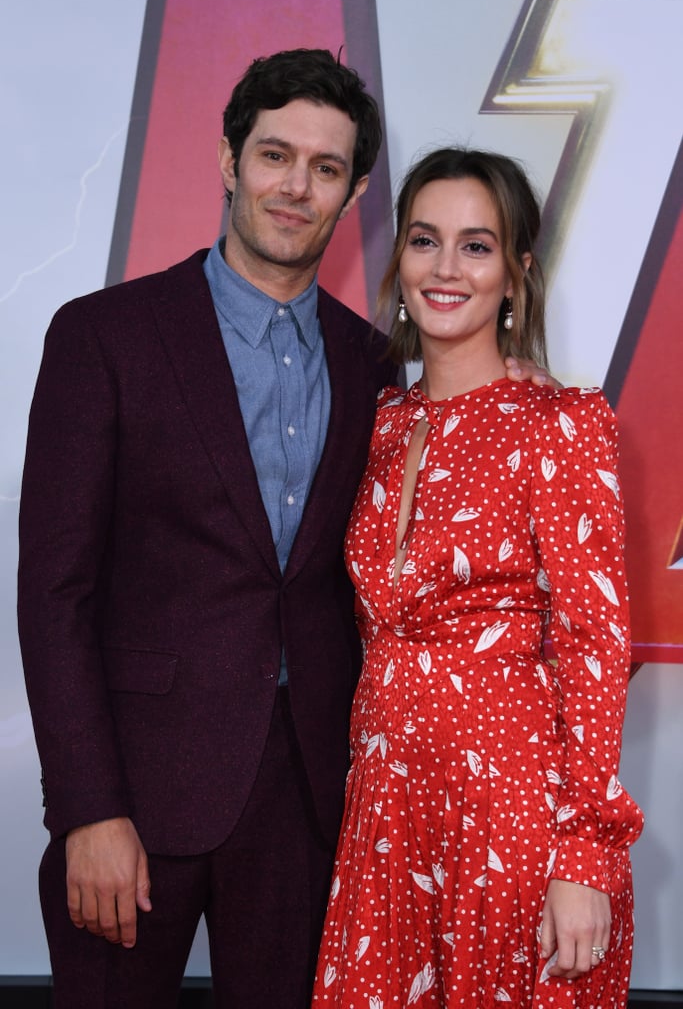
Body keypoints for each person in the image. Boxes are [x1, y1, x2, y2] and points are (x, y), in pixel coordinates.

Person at [18, 49, 552, 1009]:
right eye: (274, 155)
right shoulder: (104, 336)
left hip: (311, 810)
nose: (295, 187)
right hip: (133, 802)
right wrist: (88, 807)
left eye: (327, 167)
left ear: (350, 196)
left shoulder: (373, 367)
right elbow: (52, 595)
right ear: (229, 163)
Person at [311, 148, 644, 1008]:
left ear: (515, 274)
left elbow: (596, 646)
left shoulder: (560, 425)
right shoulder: (378, 423)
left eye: (475, 246)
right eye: (425, 241)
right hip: (385, 819)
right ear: (399, 263)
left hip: (511, 826)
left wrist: (583, 857)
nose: (444, 268)